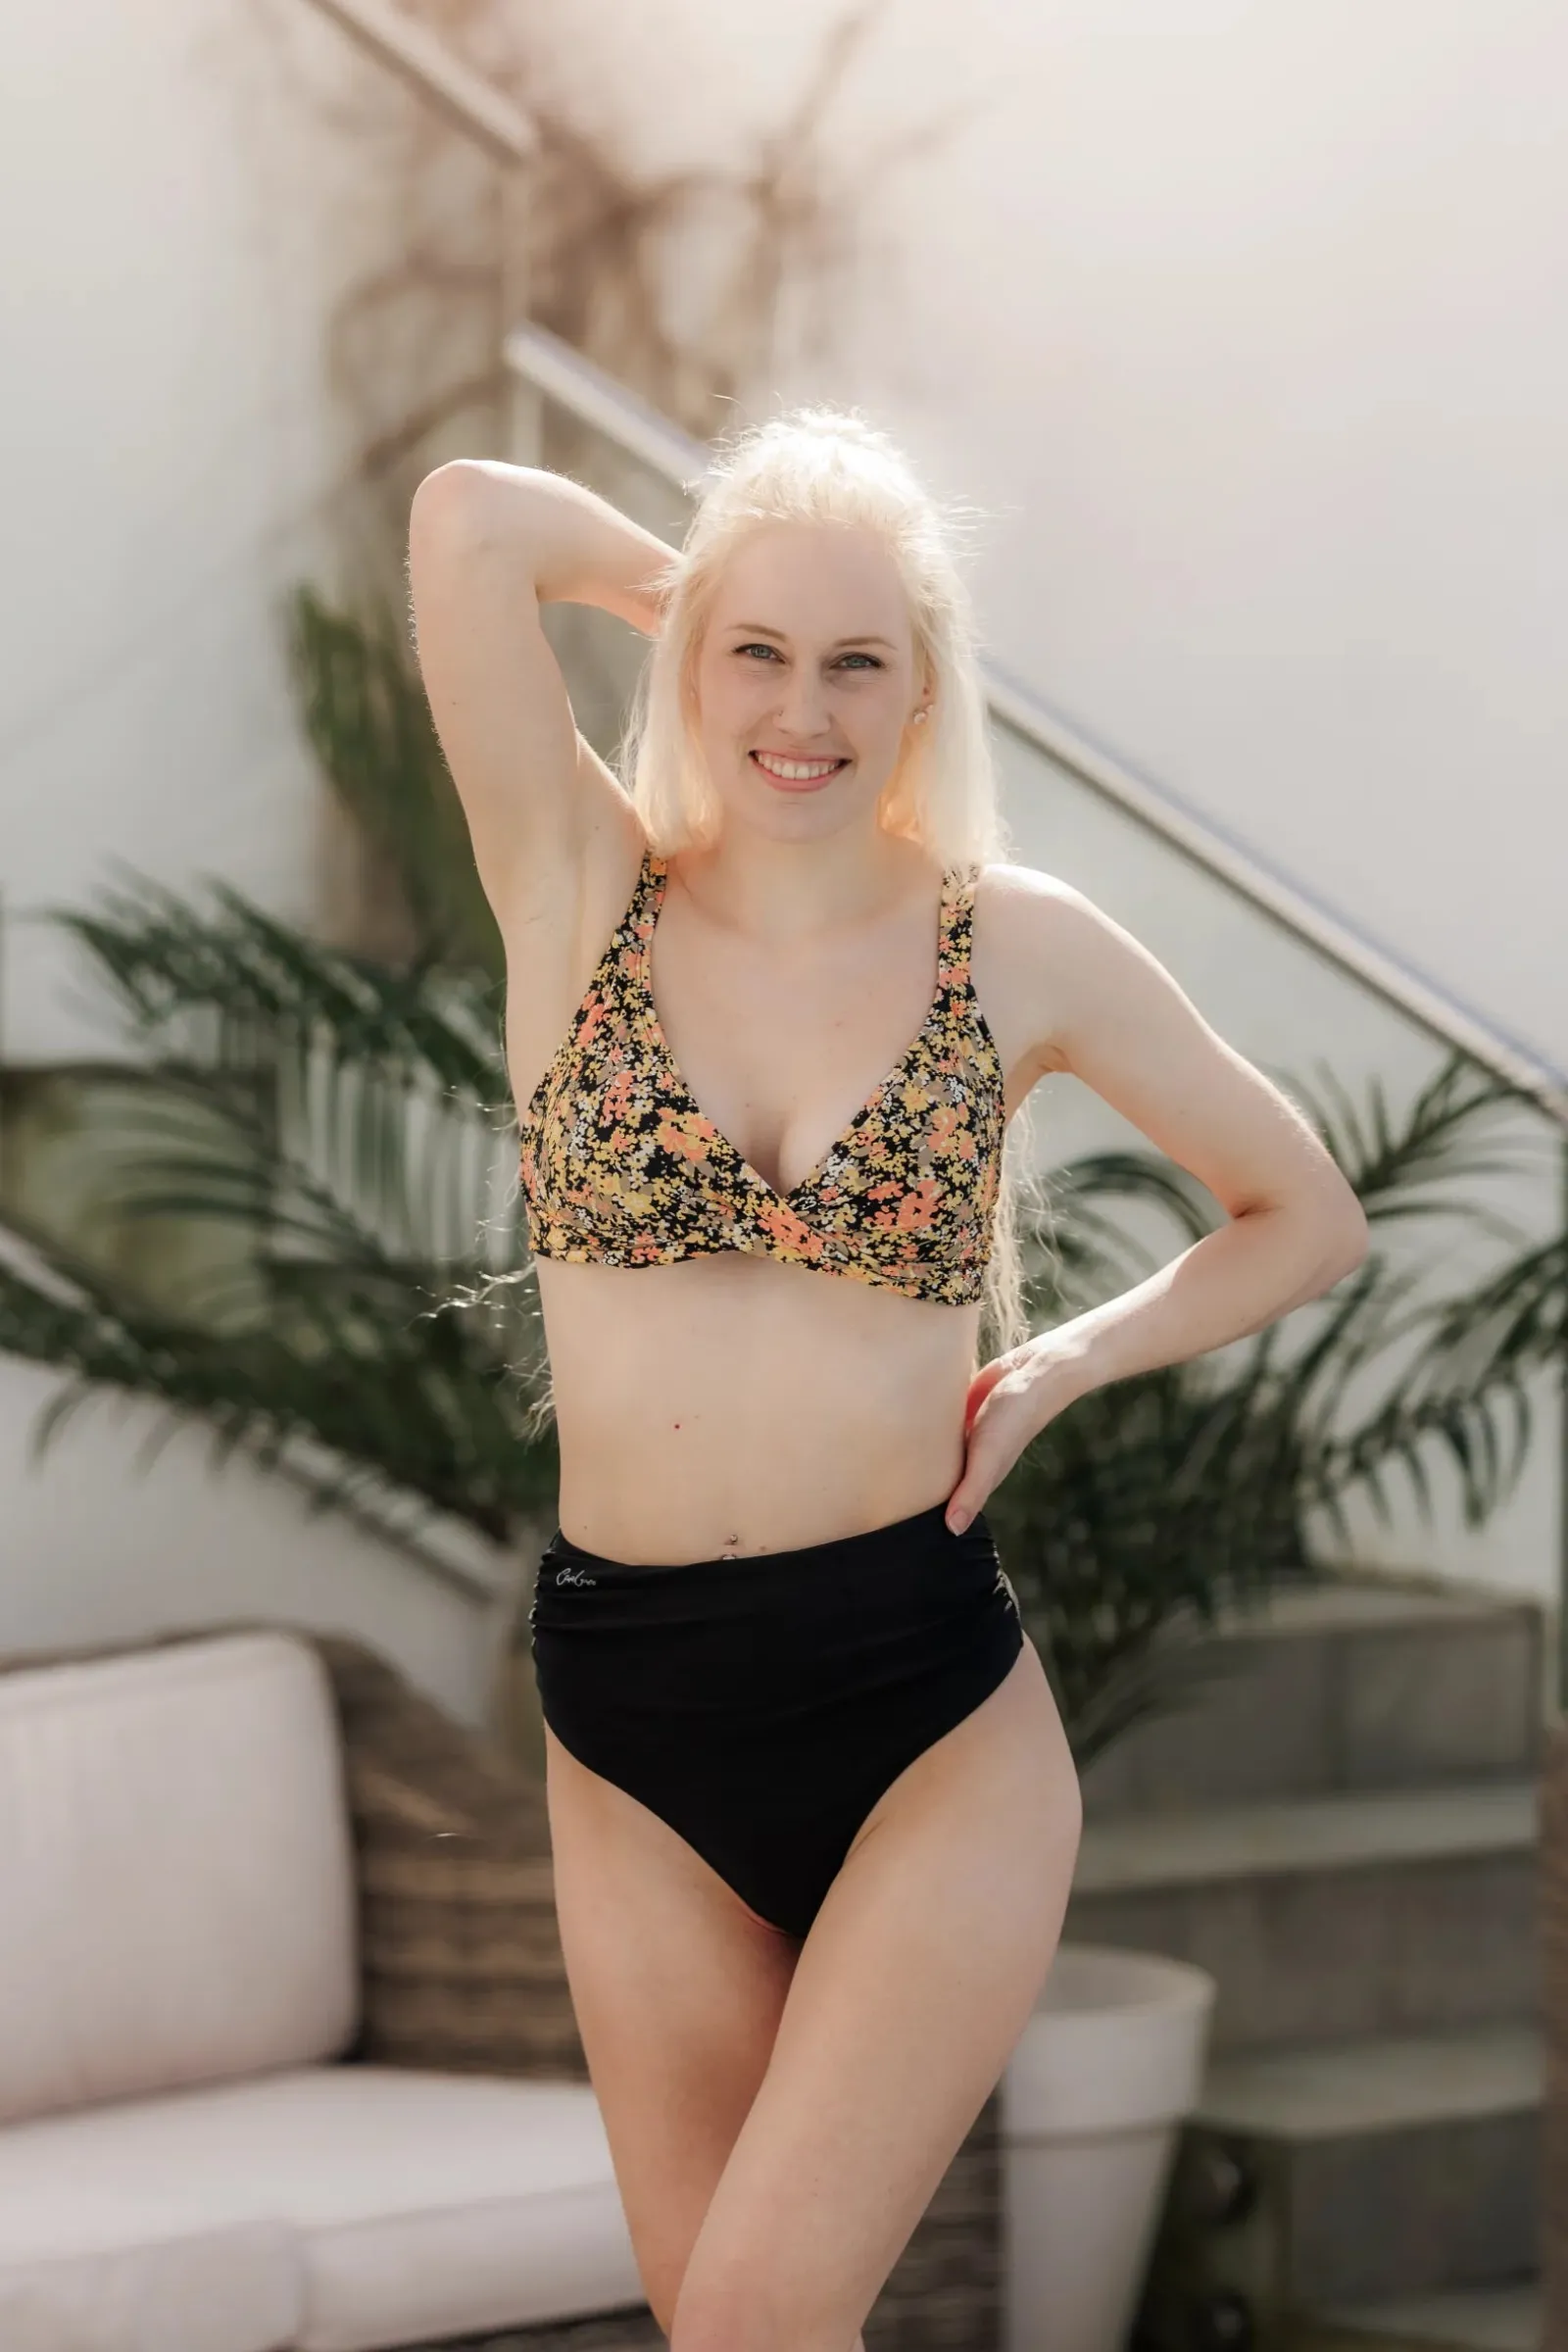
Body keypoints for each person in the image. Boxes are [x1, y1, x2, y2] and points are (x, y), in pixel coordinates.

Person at [407, 409, 1368, 2352]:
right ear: (695, 662)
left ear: (922, 690)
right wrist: (717, 582)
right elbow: (467, 521)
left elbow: (1303, 1213)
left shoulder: (1009, 944)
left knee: (757, 2317)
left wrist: (1067, 1359)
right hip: (632, 1727)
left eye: (857, 661)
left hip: (923, 1715)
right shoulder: (575, 888)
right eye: (758, 656)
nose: (802, 710)